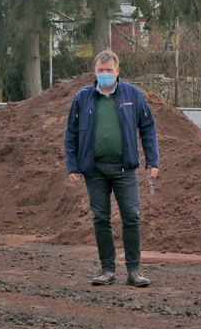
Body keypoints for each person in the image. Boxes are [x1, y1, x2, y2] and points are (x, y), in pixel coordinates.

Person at [65, 50, 159, 287]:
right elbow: (71, 133)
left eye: (109, 70)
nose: (105, 74)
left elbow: (147, 127)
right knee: (101, 218)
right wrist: (73, 165)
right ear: (94, 72)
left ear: (118, 71)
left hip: (124, 169)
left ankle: (134, 271)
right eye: (100, 70)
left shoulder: (133, 94)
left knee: (131, 216)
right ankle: (107, 270)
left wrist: (152, 160)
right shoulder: (82, 97)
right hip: (94, 169)